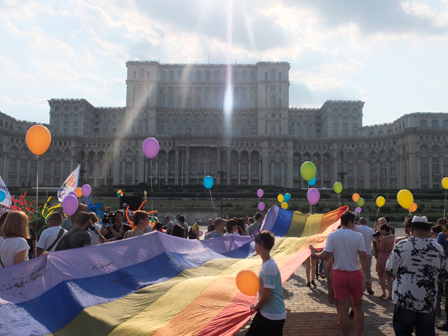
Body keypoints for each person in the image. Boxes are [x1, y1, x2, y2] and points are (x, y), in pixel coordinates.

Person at [311, 210, 371, 336]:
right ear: (349, 222)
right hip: (355, 274)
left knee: (342, 309)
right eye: (354, 222)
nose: (355, 225)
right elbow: (363, 257)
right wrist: (368, 277)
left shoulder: (333, 236)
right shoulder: (357, 236)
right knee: (358, 307)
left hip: (339, 275)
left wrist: (315, 254)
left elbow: (326, 255)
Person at [387, 216, 447, 335]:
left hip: (404, 298)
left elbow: (390, 270)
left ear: (411, 229)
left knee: (403, 331)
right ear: (428, 229)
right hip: (428, 300)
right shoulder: (439, 249)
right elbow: (444, 275)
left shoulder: (401, 246)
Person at [246, 230, 285, 336]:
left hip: (273, 315)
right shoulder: (266, 263)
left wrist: (256, 306)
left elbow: (267, 295)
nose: (254, 245)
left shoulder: (269, 266)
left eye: (255, 243)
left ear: (260, 245)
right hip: (267, 312)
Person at [354, 217, 376, 295]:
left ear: (359, 222)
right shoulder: (370, 230)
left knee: (361, 272)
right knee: (368, 271)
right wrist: (375, 251)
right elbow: (374, 242)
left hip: (359, 253)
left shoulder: (357, 228)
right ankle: (369, 287)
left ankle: (362, 288)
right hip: (368, 253)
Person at [375, 224, 394, 300]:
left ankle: (384, 292)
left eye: (381, 230)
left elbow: (381, 249)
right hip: (389, 256)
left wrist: (377, 240)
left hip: (382, 257)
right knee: (389, 277)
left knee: (381, 275)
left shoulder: (384, 239)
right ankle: (390, 294)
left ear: (384, 230)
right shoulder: (392, 237)